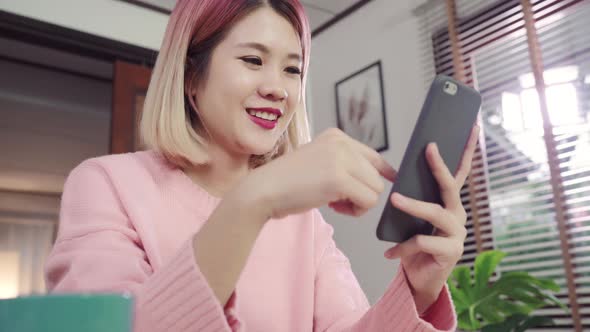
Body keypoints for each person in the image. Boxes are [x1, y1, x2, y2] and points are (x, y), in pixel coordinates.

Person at [44, 0, 479, 331]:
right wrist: (253, 200)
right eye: (253, 60)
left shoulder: (305, 223)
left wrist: (419, 288)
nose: (278, 89)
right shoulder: (105, 184)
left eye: (293, 70)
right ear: (191, 77)